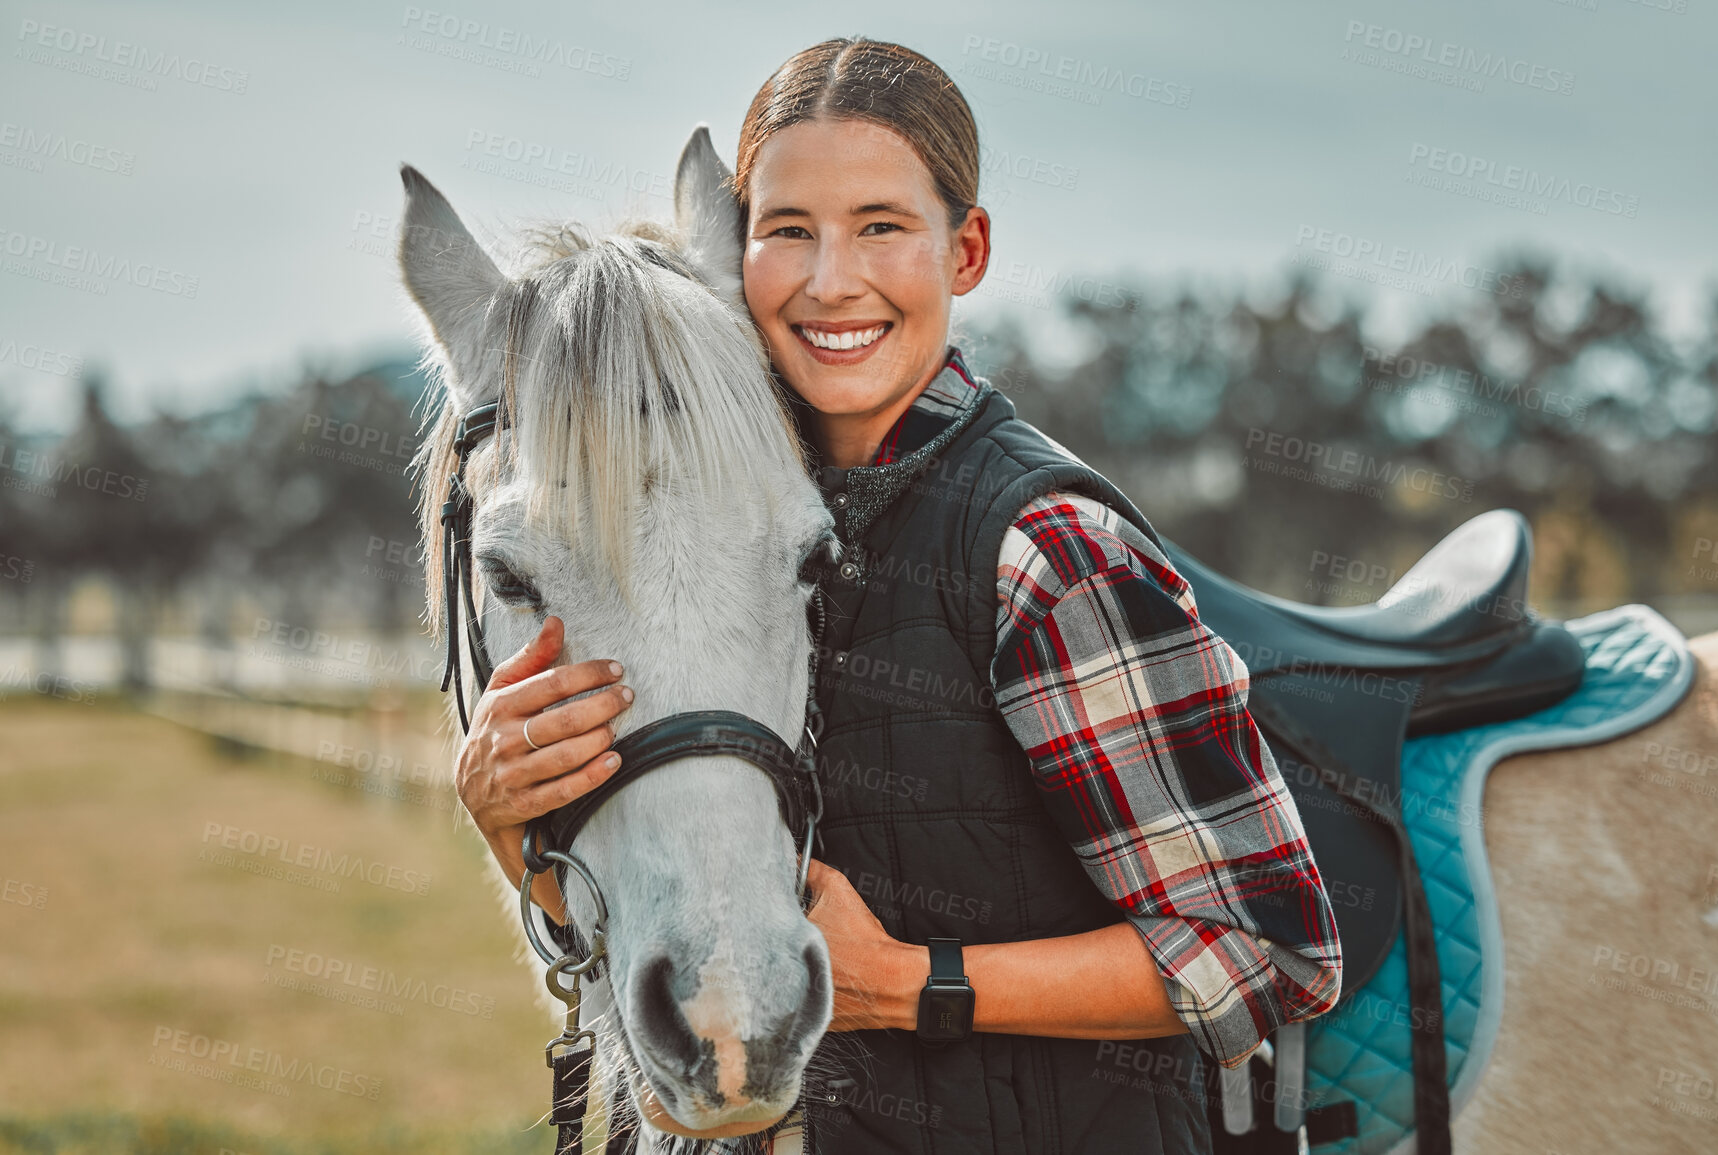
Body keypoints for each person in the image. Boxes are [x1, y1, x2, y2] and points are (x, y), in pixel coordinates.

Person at [454, 36, 1341, 1155]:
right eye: (789, 231)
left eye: (882, 226)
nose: (832, 281)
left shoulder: (1047, 549)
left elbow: (1267, 949)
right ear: (736, 257)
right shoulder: (725, 524)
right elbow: (667, 932)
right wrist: (507, 822)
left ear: (963, 251)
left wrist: (920, 984)